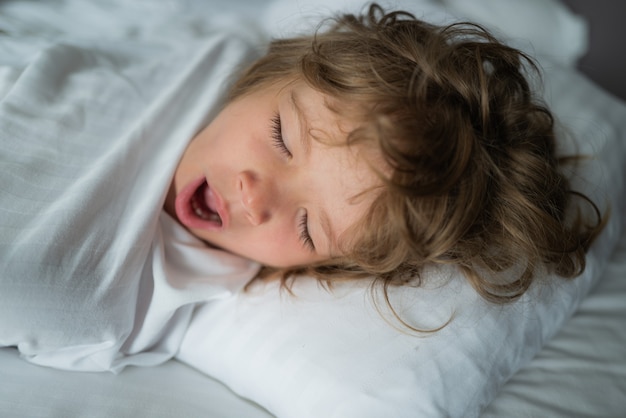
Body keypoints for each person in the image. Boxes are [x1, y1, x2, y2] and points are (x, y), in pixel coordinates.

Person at [164, 3, 605, 305]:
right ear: (269, 73)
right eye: (282, 137)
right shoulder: (182, 52)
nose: (254, 200)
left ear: (331, 266)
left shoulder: (185, 285)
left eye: (307, 229)